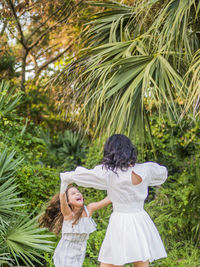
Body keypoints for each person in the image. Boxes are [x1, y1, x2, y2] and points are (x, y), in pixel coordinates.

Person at [60, 134, 168, 267]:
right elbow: (162, 173)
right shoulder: (146, 169)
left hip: (120, 221)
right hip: (140, 219)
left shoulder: (109, 173)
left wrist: (66, 177)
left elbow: (85, 176)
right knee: (141, 260)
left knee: (111, 262)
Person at [40, 184, 111, 267]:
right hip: (65, 254)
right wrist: (64, 184)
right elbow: (62, 199)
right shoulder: (68, 214)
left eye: (78, 192)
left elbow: (108, 199)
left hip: (79, 254)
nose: (77, 194)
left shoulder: (88, 210)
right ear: (68, 201)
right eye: (73, 193)